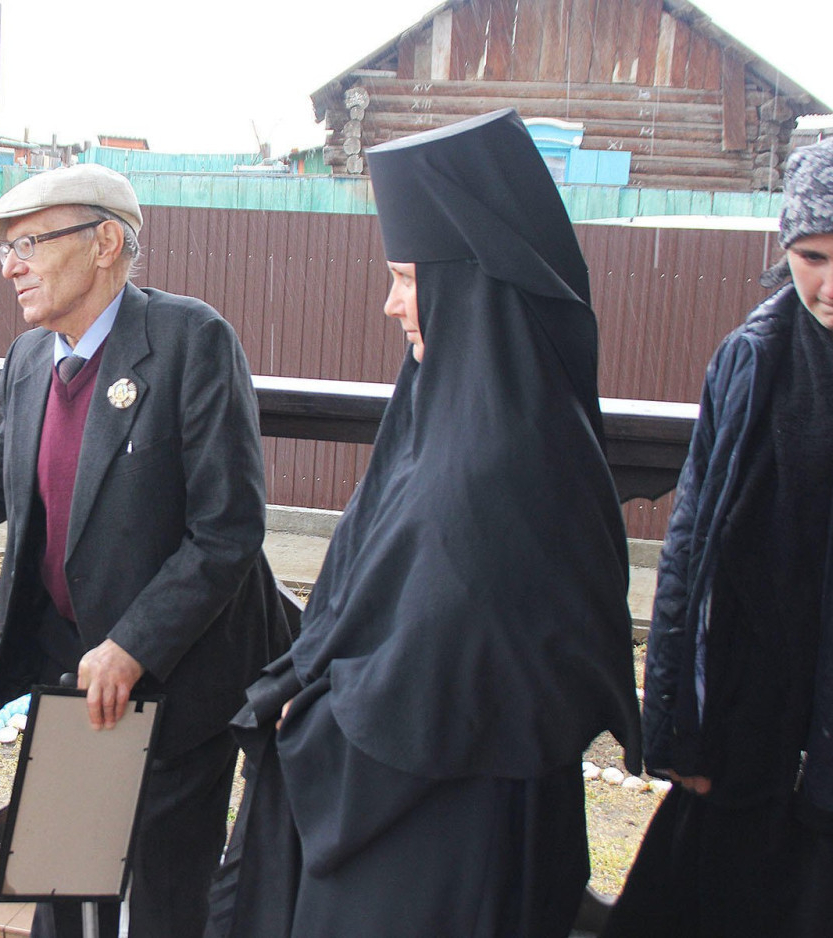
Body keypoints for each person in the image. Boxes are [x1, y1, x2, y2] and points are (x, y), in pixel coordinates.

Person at [0, 163, 294, 938]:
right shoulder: (32, 359)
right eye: (6, 249)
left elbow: (227, 530)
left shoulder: (190, 341)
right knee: (66, 889)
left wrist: (133, 646)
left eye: (29, 243)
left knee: (167, 905)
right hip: (75, 674)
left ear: (105, 243)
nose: (10, 266)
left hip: (175, 675)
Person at [206, 109, 642, 938]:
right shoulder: (448, 418)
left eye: (406, 279)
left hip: (440, 835)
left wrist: (317, 714)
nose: (390, 304)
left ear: (469, 285)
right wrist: (309, 683)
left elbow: (446, 668)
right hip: (422, 816)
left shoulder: (509, 462)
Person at [603, 134, 833, 937]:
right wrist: (675, 721)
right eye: (812, 257)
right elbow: (690, 546)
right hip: (750, 703)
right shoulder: (750, 357)